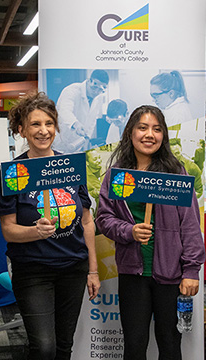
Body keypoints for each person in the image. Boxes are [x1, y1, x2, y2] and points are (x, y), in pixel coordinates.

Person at [0, 92, 100, 360]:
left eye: (49, 124)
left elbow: (86, 221)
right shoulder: (13, 173)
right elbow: (8, 229)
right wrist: (34, 232)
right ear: (21, 130)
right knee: (43, 347)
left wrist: (93, 270)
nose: (44, 131)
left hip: (73, 268)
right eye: (35, 124)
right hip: (33, 271)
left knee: (64, 346)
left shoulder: (70, 167)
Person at [96, 105, 205, 360]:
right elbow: (103, 218)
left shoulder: (175, 173)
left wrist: (191, 270)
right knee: (134, 345)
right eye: (142, 128)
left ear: (163, 135)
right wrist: (129, 231)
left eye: (157, 129)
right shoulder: (117, 175)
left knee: (169, 343)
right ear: (130, 133)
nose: (149, 134)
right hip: (133, 272)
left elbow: (190, 224)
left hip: (171, 274)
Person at [53, 70, 109, 153]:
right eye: (94, 88)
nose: (96, 92)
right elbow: (64, 111)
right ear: (89, 81)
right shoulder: (72, 90)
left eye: (100, 90)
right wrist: (76, 124)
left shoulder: (98, 98)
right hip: (61, 141)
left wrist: (87, 137)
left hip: (78, 144)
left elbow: (92, 120)